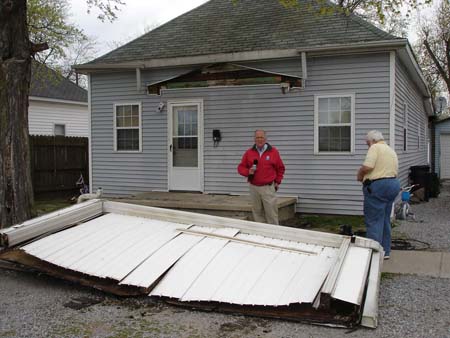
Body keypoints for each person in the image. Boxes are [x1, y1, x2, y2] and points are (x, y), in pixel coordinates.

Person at [357, 130, 400, 259]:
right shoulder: (390, 150)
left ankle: (373, 254)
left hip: (378, 186)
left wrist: (359, 174)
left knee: (374, 220)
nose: (368, 146)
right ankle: (385, 251)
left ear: (372, 141)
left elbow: (368, 166)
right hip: (393, 184)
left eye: (367, 144)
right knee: (385, 218)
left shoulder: (375, 148)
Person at [238, 129, 285, 224]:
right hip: (254, 187)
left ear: (265, 138)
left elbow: (281, 168)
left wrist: (277, 182)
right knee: (257, 213)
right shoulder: (249, 153)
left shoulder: (273, 152)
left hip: (268, 187)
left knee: (271, 213)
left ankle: (273, 235)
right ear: (254, 139)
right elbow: (240, 167)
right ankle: (261, 235)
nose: (259, 139)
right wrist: (248, 171)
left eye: (261, 137)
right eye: (257, 137)